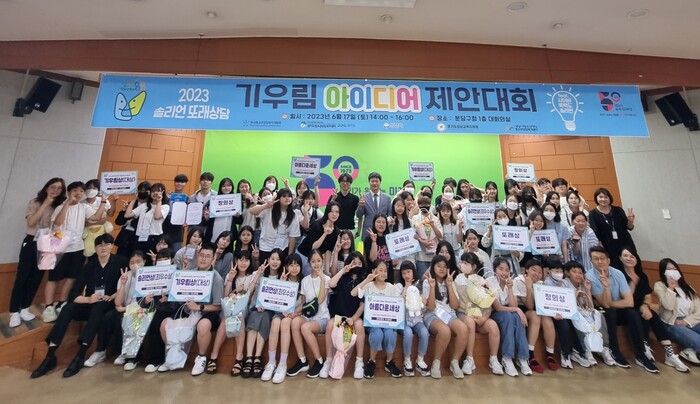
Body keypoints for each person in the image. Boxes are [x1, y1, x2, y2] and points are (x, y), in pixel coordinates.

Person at [31, 234, 127, 379]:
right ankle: (50, 355)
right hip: (90, 302)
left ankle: (81, 354)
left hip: (109, 303)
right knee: (68, 308)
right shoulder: (89, 267)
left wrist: (112, 296)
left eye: (107, 244)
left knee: (99, 307)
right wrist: (88, 299)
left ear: (112, 246)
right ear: (95, 248)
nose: (103, 248)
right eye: (99, 245)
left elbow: (127, 283)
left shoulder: (120, 261)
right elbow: (74, 294)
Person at [586, 246, 658, 373]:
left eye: (602, 258)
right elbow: (604, 304)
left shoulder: (618, 273)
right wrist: (606, 287)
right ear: (591, 261)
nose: (600, 261)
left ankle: (641, 355)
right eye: (595, 259)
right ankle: (614, 351)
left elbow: (629, 302)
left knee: (633, 313)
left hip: (618, 306)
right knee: (610, 313)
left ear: (608, 260)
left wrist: (612, 303)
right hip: (602, 311)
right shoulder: (590, 276)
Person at [43, 181, 108, 323]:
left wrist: (103, 201)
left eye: (81, 191)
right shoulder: (60, 207)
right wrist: (68, 203)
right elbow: (58, 222)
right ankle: (48, 306)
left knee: (71, 277)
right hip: (59, 248)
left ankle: (62, 302)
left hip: (77, 248)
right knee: (54, 278)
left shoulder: (84, 207)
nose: (78, 193)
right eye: (75, 190)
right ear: (68, 192)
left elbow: (96, 217)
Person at [157, 243, 224, 376]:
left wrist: (199, 307)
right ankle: (173, 354)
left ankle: (201, 358)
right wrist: (168, 296)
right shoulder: (189, 273)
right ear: (197, 256)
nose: (203, 259)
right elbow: (178, 297)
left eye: (207, 256)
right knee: (164, 324)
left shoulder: (217, 278)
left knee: (203, 326)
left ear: (213, 259)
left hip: (207, 312)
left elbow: (218, 305)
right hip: (187, 310)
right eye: (201, 255)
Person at [619, 248, 688, 372]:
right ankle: (641, 351)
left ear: (636, 259)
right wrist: (633, 282)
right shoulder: (619, 275)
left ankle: (670, 354)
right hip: (624, 308)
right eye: (625, 256)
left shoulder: (642, 275)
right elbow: (626, 298)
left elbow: (647, 295)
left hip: (640, 307)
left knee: (653, 315)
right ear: (620, 258)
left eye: (632, 256)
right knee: (635, 314)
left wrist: (645, 305)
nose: (629, 258)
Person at [9, 178, 65, 328]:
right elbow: (31, 222)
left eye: (59, 188)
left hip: (48, 243)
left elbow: (59, 226)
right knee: (22, 277)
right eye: (53, 187)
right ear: (47, 188)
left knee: (37, 278)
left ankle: (25, 308)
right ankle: (14, 312)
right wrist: (46, 203)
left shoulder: (59, 206)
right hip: (31, 241)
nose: (55, 190)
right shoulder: (35, 202)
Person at [317, 252, 367, 379]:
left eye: (359, 263)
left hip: (354, 318)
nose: (356, 265)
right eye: (354, 263)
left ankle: (359, 362)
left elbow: (362, 305)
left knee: (359, 326)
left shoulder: (364, 281)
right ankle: (328, 361)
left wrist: (353, 319)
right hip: (340, 317)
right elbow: (332, 284)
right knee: (329, 324)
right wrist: (343, 270)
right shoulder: (342, 278)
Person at [208, 249, 258, 376]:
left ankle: (239, 357)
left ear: (250, 262)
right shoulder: (230, 275)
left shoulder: (253, 276)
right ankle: (214, 355)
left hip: (244, 310)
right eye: (241, 259)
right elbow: (225, 297)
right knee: (226, 320)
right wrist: (230, 280)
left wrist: (241, 292)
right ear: (236, 261)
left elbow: (248, 296)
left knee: (238, 317)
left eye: (246, 260)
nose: (243, 263)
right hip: (228, 310)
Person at [352, 259, 402, 378]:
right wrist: (367, 280)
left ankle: (389, 362)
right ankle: (372, 361)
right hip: (373, 323)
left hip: (388, 323)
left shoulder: (391, 288)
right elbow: (353, 293)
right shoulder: (368, 286)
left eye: (385, 271)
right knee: (377, 334)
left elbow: (398, 306)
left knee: (390, 334)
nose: (383, 273)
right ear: (374, 271)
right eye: (380, 270)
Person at [454, 252, 503, 375]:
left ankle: (494, 359)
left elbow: (489, 304)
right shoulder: (458, 279)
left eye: (466, 263)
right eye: (462, 262)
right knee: (470, 322)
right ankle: (469, 359)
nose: (463, 265)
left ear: (474, 266)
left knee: (493, 326)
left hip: (480, 316)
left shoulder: (482, 281)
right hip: (463, 314)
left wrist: (484, 319)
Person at [422, 255, 469, 379]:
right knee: (444, 330)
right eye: (438, 266)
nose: (442, 269)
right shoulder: (428, 282)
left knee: (463, 329)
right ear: (433, 267)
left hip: (449, 315)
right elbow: (430, 307)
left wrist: (449, 285)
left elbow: (455, 306)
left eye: (444, 266)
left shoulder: (450, 281)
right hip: (432, 315)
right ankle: (436, 363)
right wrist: (432, 288)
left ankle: (454, 362)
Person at [287, 250, 332, 377]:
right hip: (308, 316)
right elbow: (303, 303)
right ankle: (302, 360)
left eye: (319, 261)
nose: (316, 264)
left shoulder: (327, 279)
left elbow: (321, 300)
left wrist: (322, 279)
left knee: (305, 328)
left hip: (322, 318)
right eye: (313, 261)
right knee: (295, 322)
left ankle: (319, 360)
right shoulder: (305, 280)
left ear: (322, 261)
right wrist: (293, 313)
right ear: (309, 263)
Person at [262, 253, 304, 384]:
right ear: (286, 266)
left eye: (297, 265)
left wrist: (294, 313)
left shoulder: (303, 281)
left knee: (285, 323)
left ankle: (283, 363)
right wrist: (281, 282)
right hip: (281, 312)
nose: (294, 268)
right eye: (291, 265)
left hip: (295, 313)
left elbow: (304, 303)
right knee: (275, 322)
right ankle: (271, 362)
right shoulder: (282, 278)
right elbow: (275, 300)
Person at [487, 257, 532, 377]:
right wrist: (517, 310)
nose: (504, 272)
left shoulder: (511, 282)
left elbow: (513, 305)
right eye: (501, 269)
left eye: (507, 270)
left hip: (508, 311)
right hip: (493, 312)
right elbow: (497, 307)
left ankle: (522, 358)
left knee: (517, 318)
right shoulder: (489, 282)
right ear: (494, 269)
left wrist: (511, 288)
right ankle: (507, 358)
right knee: (509, 316)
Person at [543, 259, 592, 369]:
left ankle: (580, 351)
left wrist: (586, 291)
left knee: (579, 321)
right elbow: (558, 303)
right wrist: (574, 296)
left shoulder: (581, 284)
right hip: (556, 313)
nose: (559, 273)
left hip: (571, 313)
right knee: (564, 324)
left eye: (560, 271)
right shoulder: (553, 283)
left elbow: (588, 307)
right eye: (556, 271)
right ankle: (565, 354)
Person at [513, 259, 558, 373]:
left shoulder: (540, 284)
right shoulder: (519, 280)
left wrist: (554, 313)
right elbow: (529, 306)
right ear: (526, 270)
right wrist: (529, 287)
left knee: (547, 319)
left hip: (536, 309)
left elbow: (544, 304)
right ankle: (530, 354)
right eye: (534, 270)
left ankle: (550, 354)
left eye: (540, 272)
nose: (537, 274)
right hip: (521, 309)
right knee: (535, 316)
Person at [654, 258, 700, 365]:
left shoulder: (688, 288)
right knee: (698, 340)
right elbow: (668, 306)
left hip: (689, 320)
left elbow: (699, 309)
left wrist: (686, 321)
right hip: (671, 323)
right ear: (663, 272)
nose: (673, 272)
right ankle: (691, 349)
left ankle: (690, 350)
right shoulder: (659, 285)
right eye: (669, 269)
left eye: (675, 269)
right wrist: (671, 288)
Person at [395, 261, 431, 377]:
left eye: (408, 272)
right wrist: (406, 288)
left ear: (413, 272)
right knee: (408, 333)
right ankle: (407, 360)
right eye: (404, 273)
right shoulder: (399, 286)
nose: (406, 275)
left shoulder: (419, 286)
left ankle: (420, 360)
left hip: (417, 319)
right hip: (403, 321)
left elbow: (423, 307)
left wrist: (424, 303)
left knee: (424, 332)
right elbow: (396, 303)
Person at [588, 187, 637, 270]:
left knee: (632, 266)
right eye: (600, 197)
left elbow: (629, 227)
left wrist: (630, 221)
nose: (603, 199)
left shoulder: (618, 210)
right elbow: (595, 233)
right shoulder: (593, 214)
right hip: (608, 246)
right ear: (596, 198)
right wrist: (601, 249)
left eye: (606, 197)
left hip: (625, 243)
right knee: (616, 268)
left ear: (610, 198)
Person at [249, 188, 300, 263]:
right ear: (278, 198)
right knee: (265, 268)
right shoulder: (269, 209)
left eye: (289, 196)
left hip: (282, 248)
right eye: (284, 196)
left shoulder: (293, 215)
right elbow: (252, 211)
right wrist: (266, 205)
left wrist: (289, 255)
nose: (287, 198)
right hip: (266, 247)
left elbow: (292, 237)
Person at [124, 182, 170, 254]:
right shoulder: (144, 205)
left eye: (158, 191)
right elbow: (127, 215)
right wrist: (133, 200)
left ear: (163, 193)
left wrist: (159, 202)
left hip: (154, 237)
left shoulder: (165, 207)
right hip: (140, 236)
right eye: (153, 191)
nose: (155, 193)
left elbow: (156, 216)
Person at [298, 201, 340, 275]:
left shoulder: (336, 231)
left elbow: (328, 251)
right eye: (331, 211)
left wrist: (327, 270)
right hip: (303, 255)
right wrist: (325, 234)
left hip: (315, 260)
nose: (334, 214)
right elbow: (314, 247)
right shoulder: (317, 225)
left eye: (337, 212)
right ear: (327, 212)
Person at [114, 181, 151, 259]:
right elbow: (118, 222)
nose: (142, 192)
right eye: (140, 190)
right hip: (126, 239)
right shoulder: (131, 203)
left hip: (141, 239)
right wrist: (124, 210)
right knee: (121, 259)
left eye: (145, 191)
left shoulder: (150, 206)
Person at [203, 177, 241, 244]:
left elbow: (240, 221)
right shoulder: (213, 200)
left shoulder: (236, 200)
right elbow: (204, 221)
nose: (226, 188)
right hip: (213, 234)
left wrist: (238, 216)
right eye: (224, 186)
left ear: (232, 187)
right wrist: (206, 218)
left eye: (229, 186)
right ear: (220, 187)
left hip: (229, 235)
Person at [412, 195, 442, 278]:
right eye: (422, 204)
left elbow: (440, 236)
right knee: (423, 279)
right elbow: (412, 234)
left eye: (427, 204)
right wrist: (422, 241)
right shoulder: (415, 218)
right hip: (421, 256)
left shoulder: (435, 219)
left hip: (434, 256)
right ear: (419, 205)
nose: (424, 206)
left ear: (430, 205)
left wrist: (433, 225)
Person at [355, 172, 391, 240]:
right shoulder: (364, 197)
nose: (374, 183)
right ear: (369, 182)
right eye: (372, 181)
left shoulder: (387, 198)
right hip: (368, 231)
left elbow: (390, 214)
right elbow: (359, 215)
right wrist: (361, 206)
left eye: (376, 181)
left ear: (380, 182)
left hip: (383, 232)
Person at [162, 173, 188, 252]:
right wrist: (166, 199)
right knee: (163, 253)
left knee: (176, 254)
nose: (179, 184)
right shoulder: (167, 196)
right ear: (174, 183)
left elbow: (188, 214)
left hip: (178, 231)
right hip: (165, 228)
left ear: (185, 184)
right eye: (177, 181)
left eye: (182, 182)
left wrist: (186, 221)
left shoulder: (187, 198)